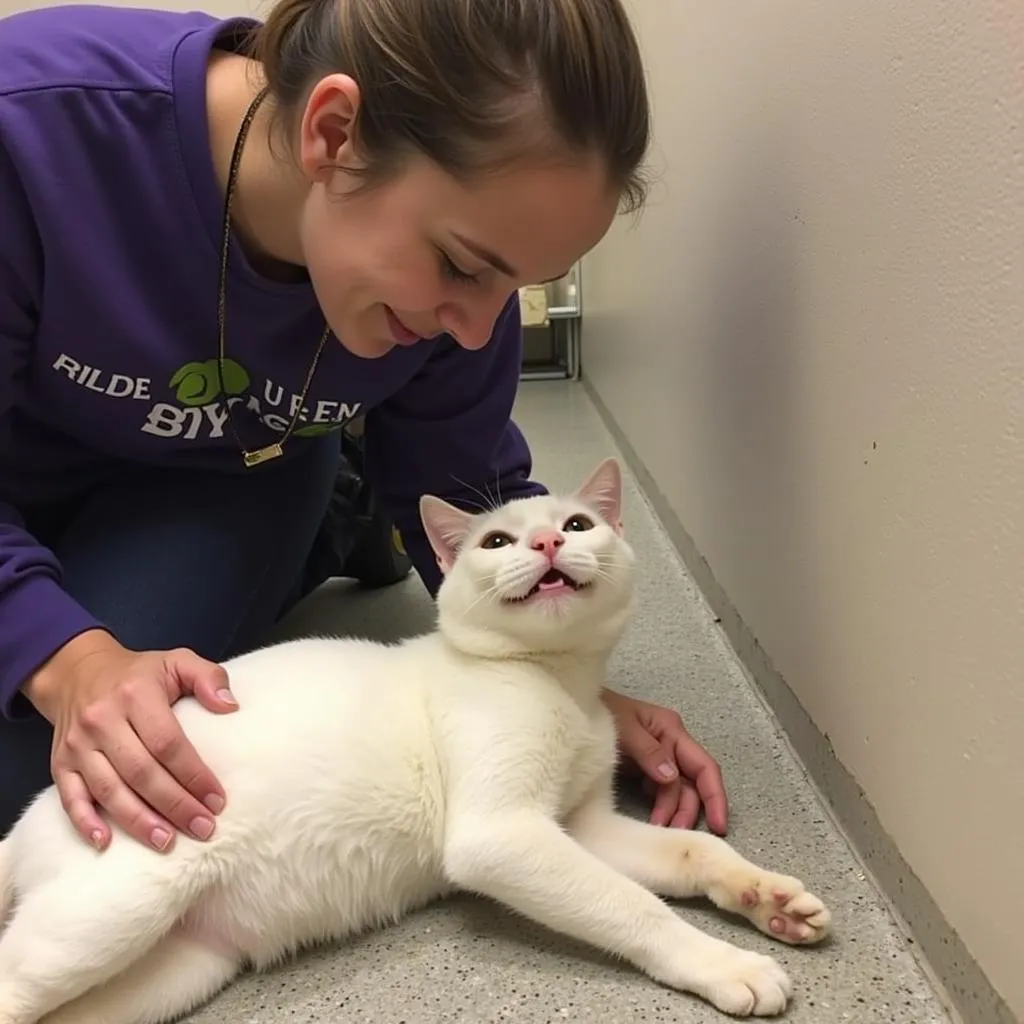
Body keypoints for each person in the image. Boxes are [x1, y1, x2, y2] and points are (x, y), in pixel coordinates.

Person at [0, 0, 727, 854]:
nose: (474, 328)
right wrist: (70, 658)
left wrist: (549, 680)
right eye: (461, 265)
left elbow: (464, 485)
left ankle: (331, 495)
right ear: (335, 132)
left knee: (58, 783)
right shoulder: (34, 126)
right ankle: (349, 497)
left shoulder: (466, 310)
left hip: (220, 470)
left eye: (518, 285)